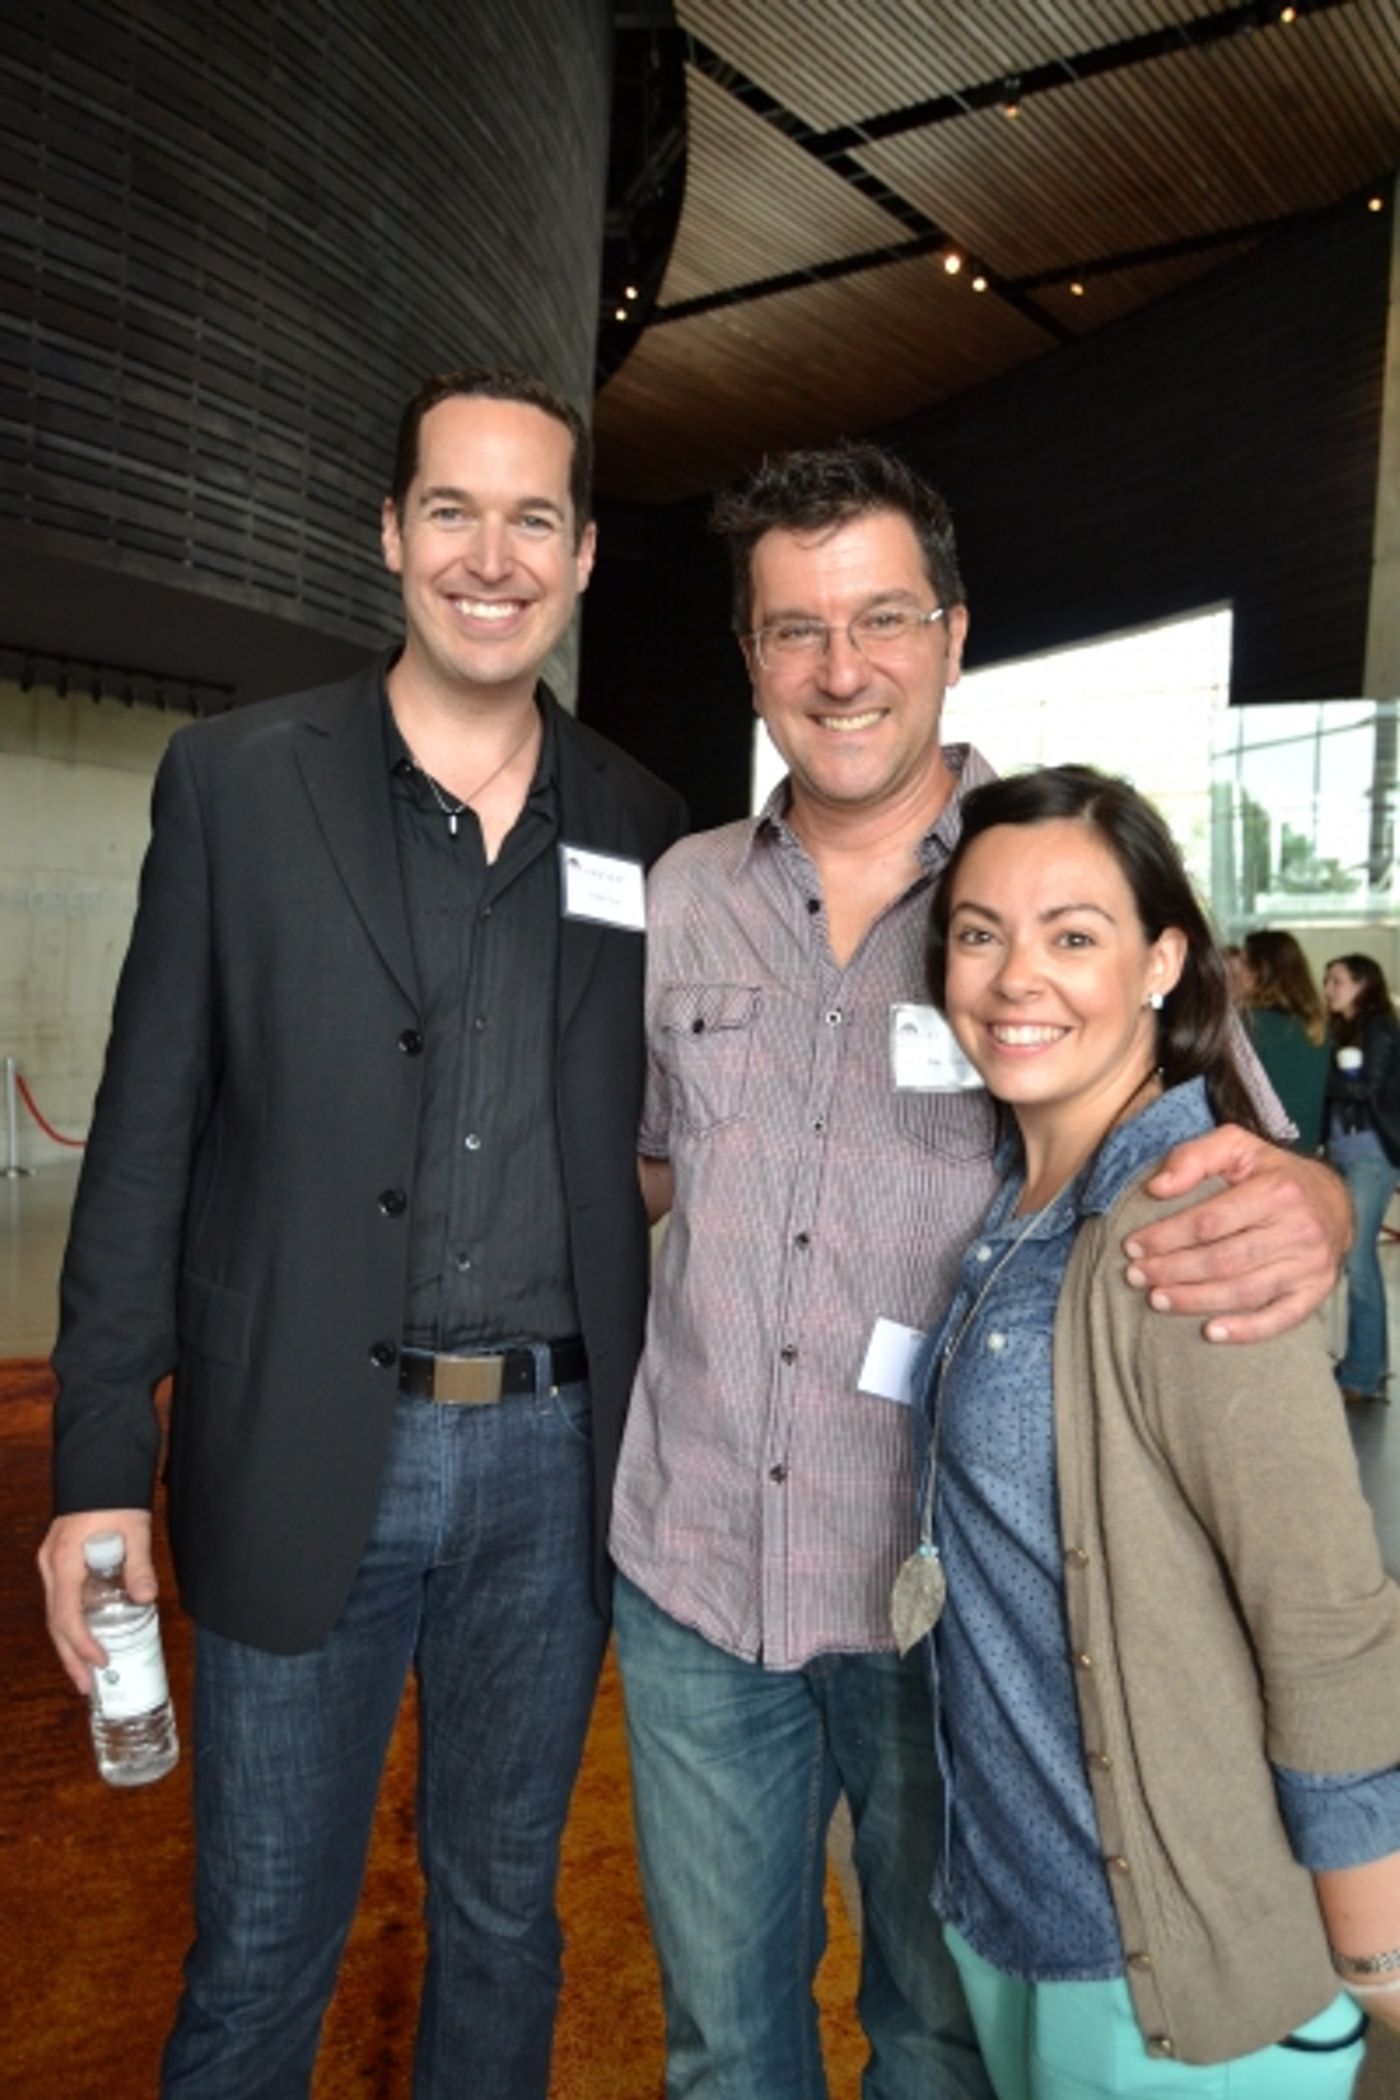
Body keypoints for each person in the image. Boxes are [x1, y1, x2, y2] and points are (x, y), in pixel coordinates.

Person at [608, 441, 1352, 2100]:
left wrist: (1321, 1205)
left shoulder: (1032, 887)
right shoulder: (683, 900)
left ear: (953, 635)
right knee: (723, 2042)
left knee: (939, 2038)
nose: (840, 667)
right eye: (793, 630)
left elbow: (1220, 1161)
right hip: (693, 1572)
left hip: (950, 1606)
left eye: (880, 618)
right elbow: (646, 1165)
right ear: (750, 660)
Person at [36, 365, 686, 2098]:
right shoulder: (239, 784)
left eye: (532, 517)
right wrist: (96, 1471)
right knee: (260, 1952)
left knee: (506, 1922)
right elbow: (146, 1146)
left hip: (558, 1472)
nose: (493, 554)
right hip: (304, 1445)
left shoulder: (643, 825)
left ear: (585, 552)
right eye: (453, 510)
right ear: (391, 534)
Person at [915, 763, 1400, 2098]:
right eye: (978, 932)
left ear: (1162, 960)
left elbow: (1321, 1614)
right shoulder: (1027, 1202)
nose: (1019, 977)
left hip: (1168, 1993)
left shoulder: (1192, 1229)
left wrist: (1374, 1975)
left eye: (1075, 935)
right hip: (1023, 1918)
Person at [1323, 952, 1400, 1404]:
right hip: (1350, 1149)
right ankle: (1369, 1362)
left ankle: (1362, 1373)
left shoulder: (1380, 1030)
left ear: (1362, 984)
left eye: (1337, 980)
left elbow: (1367, 1089)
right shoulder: (1350, 1030)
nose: (1328, 988)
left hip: (1372, 1153)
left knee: (1357, 1258)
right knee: (1360, 1256)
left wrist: (1322, 1079)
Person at [1240, 928, 1330, 1153]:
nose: (1237, 971)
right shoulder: (1318, 1026)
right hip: (1306, 1147)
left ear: (1259, 971)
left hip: (1259, 1151)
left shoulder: (1249, 1025)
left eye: (1243, 963)